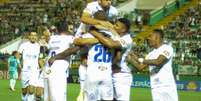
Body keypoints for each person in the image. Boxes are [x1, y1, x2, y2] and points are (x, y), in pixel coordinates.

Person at [127, 29, 178, 101]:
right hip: (155, 87)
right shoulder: (150, 54)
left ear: (157, 37)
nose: (148, 38)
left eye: (150, 36)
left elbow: (158, 62)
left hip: (167, 86)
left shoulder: (167, 48)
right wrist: (130, 59)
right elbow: (140, 67)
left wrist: (140, 59)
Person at [89, 18, 133, 101]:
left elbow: (110, 44)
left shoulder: (127, 39)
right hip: (111, 72)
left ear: (123, 29)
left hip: (121, 74)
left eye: (117, 25)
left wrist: (95, 33)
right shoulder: (116, 36)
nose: (114, 26)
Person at [44, 24, 75, 101]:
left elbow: (47, 38)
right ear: (67, 29)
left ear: (57, 30)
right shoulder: (69, 38)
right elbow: (75, 48)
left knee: (48, 97)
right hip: (59, 71)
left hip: (48, 69)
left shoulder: (52, 38)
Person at [18, 32, 41, 101]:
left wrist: (42, 68)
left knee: (31, 90)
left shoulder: (39, 46)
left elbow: (40, 58)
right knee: (24, 91)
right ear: (29, 37)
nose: (33, 37)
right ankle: (24, 98)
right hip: (25, 70)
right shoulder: (23, 45)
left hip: (34, 70)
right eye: (32, 35)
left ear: (37, 37)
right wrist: (19, 64)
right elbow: (18, 55)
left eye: (35, 35)